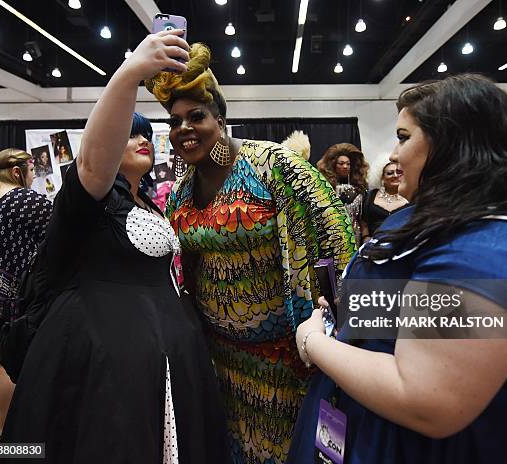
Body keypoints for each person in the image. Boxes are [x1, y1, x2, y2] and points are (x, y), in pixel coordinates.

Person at [287, 74, 507, 464]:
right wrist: (352, 309)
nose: (393, 154)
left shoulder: (496, 248)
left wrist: (313, 342)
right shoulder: (430, 220)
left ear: (453, 144)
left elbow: (426, 397)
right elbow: (413, 305)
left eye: (404, 137)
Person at [0, 29, 229, 463]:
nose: (143, 140)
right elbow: (91, 162)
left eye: (146, 134)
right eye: (129, 133)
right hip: (100, 374)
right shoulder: (92, 201)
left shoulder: (158, 201)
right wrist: (130, 73)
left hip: (167, 364)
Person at [145, 43, 356, 463]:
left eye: (196, 116)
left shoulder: (273, 165)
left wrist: (332, 332)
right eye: (175, 121)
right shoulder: (181, 193)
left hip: (286, 361)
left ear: (220, 120)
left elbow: (335, 244)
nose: (184, 127)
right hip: (220, 359)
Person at [0, 149, 52, 433]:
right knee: (8, 364)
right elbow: (60, 232)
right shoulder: (24, 199)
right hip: (13, 294)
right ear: (18, 172)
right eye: (32, 172)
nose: (33, 178)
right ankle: (8, 445)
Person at [317, 143, 369, 245]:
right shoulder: (326, 187)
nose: (345, 166)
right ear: (333, 165)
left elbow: (362, 218)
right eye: (341, 163)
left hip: (355, 232)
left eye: (348, 164)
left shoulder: (360, 187)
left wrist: (365, 236)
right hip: (332, 232)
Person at [360, 161, 408, 244]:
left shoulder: (410, 195)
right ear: (382, 177)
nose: (395, 176)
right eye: (390, 173)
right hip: (374, 246)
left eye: (399, 172)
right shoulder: (371, 195)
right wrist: (366, 237)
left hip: (402, 245)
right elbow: (363, 220)